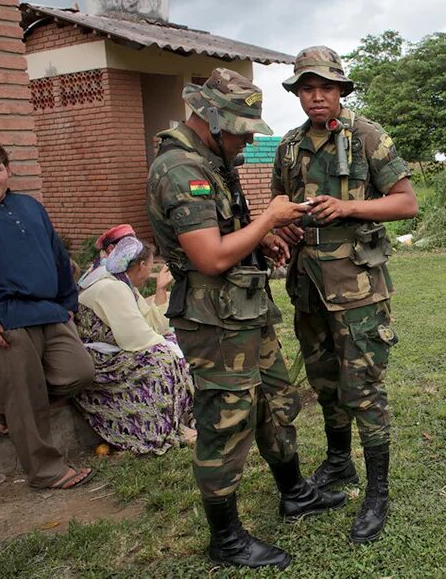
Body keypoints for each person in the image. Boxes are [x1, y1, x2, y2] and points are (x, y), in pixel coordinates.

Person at [147, 68, 343, 570]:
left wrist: (262, 238)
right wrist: (268, 222)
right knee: (226, 422)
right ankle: (227, 539)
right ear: (210, 119)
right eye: (239, 131)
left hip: (247, 310)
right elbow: (209, 258)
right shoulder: (179, 169)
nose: (243, 142)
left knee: (277, 401)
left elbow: (228, 232)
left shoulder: (213, 160)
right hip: (213, 322)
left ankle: (294, 492)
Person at [271, 45, 418, 544]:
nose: (317, 97)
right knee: (325, 380)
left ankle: (378, 492)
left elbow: (406, 203)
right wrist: (282, 230)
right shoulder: (289, 145)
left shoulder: (367, 136)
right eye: (308, 88)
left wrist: (349, 208)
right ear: (298, 93)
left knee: (364, 388)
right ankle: (339, 465)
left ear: (340, 91)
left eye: (326, 88)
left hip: (356, 289)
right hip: (306, 285)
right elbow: (279, 207)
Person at [0, 134, 96, 489]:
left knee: (80, 372)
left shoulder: (31, 207)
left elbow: (59, 257)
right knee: (24, 391)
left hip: (49, 310)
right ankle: (45, 471)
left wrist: (67, 303)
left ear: (8, 171)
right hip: (5, 317)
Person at [75, 236, 195, 454]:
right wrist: (168, 347)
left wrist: (160, 290)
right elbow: (135, 339)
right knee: (162, 359)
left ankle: (183, 419)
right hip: (102, 362)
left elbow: (153, 325)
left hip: (118, 350)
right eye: (150, 265)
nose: (150, 270)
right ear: (141, 265)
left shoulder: (123, 284)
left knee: (181, 344)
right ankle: (161, 429)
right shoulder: (111, 288)